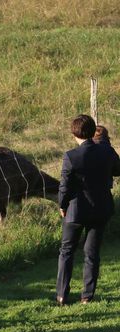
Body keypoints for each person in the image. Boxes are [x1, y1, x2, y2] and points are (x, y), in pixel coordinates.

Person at [56, 114, 116, 305]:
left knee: (66, 251)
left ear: (74, 133)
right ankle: (87, 296)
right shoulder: (106, 152)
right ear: (92, 132)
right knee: (92, 254)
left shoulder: (71, 156)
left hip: (75, 210)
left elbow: (64, 186)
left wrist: (62, 205)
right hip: (100, 208)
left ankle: (62, 294)